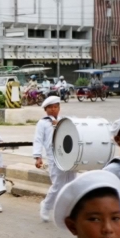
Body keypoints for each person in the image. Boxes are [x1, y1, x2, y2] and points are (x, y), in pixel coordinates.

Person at [33, 95, 76, 223]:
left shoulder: (64, 120)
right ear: (45, 109)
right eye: (50, 107)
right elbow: (38, 140)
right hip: (53, 156)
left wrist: (60, 125)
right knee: (57, 184)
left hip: (69, 155)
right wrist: (37, 156)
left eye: (55, 107)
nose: (53, 109)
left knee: (71, 183)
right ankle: (46, 206)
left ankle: (68, 210)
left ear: (59, 108)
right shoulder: (43, 122)